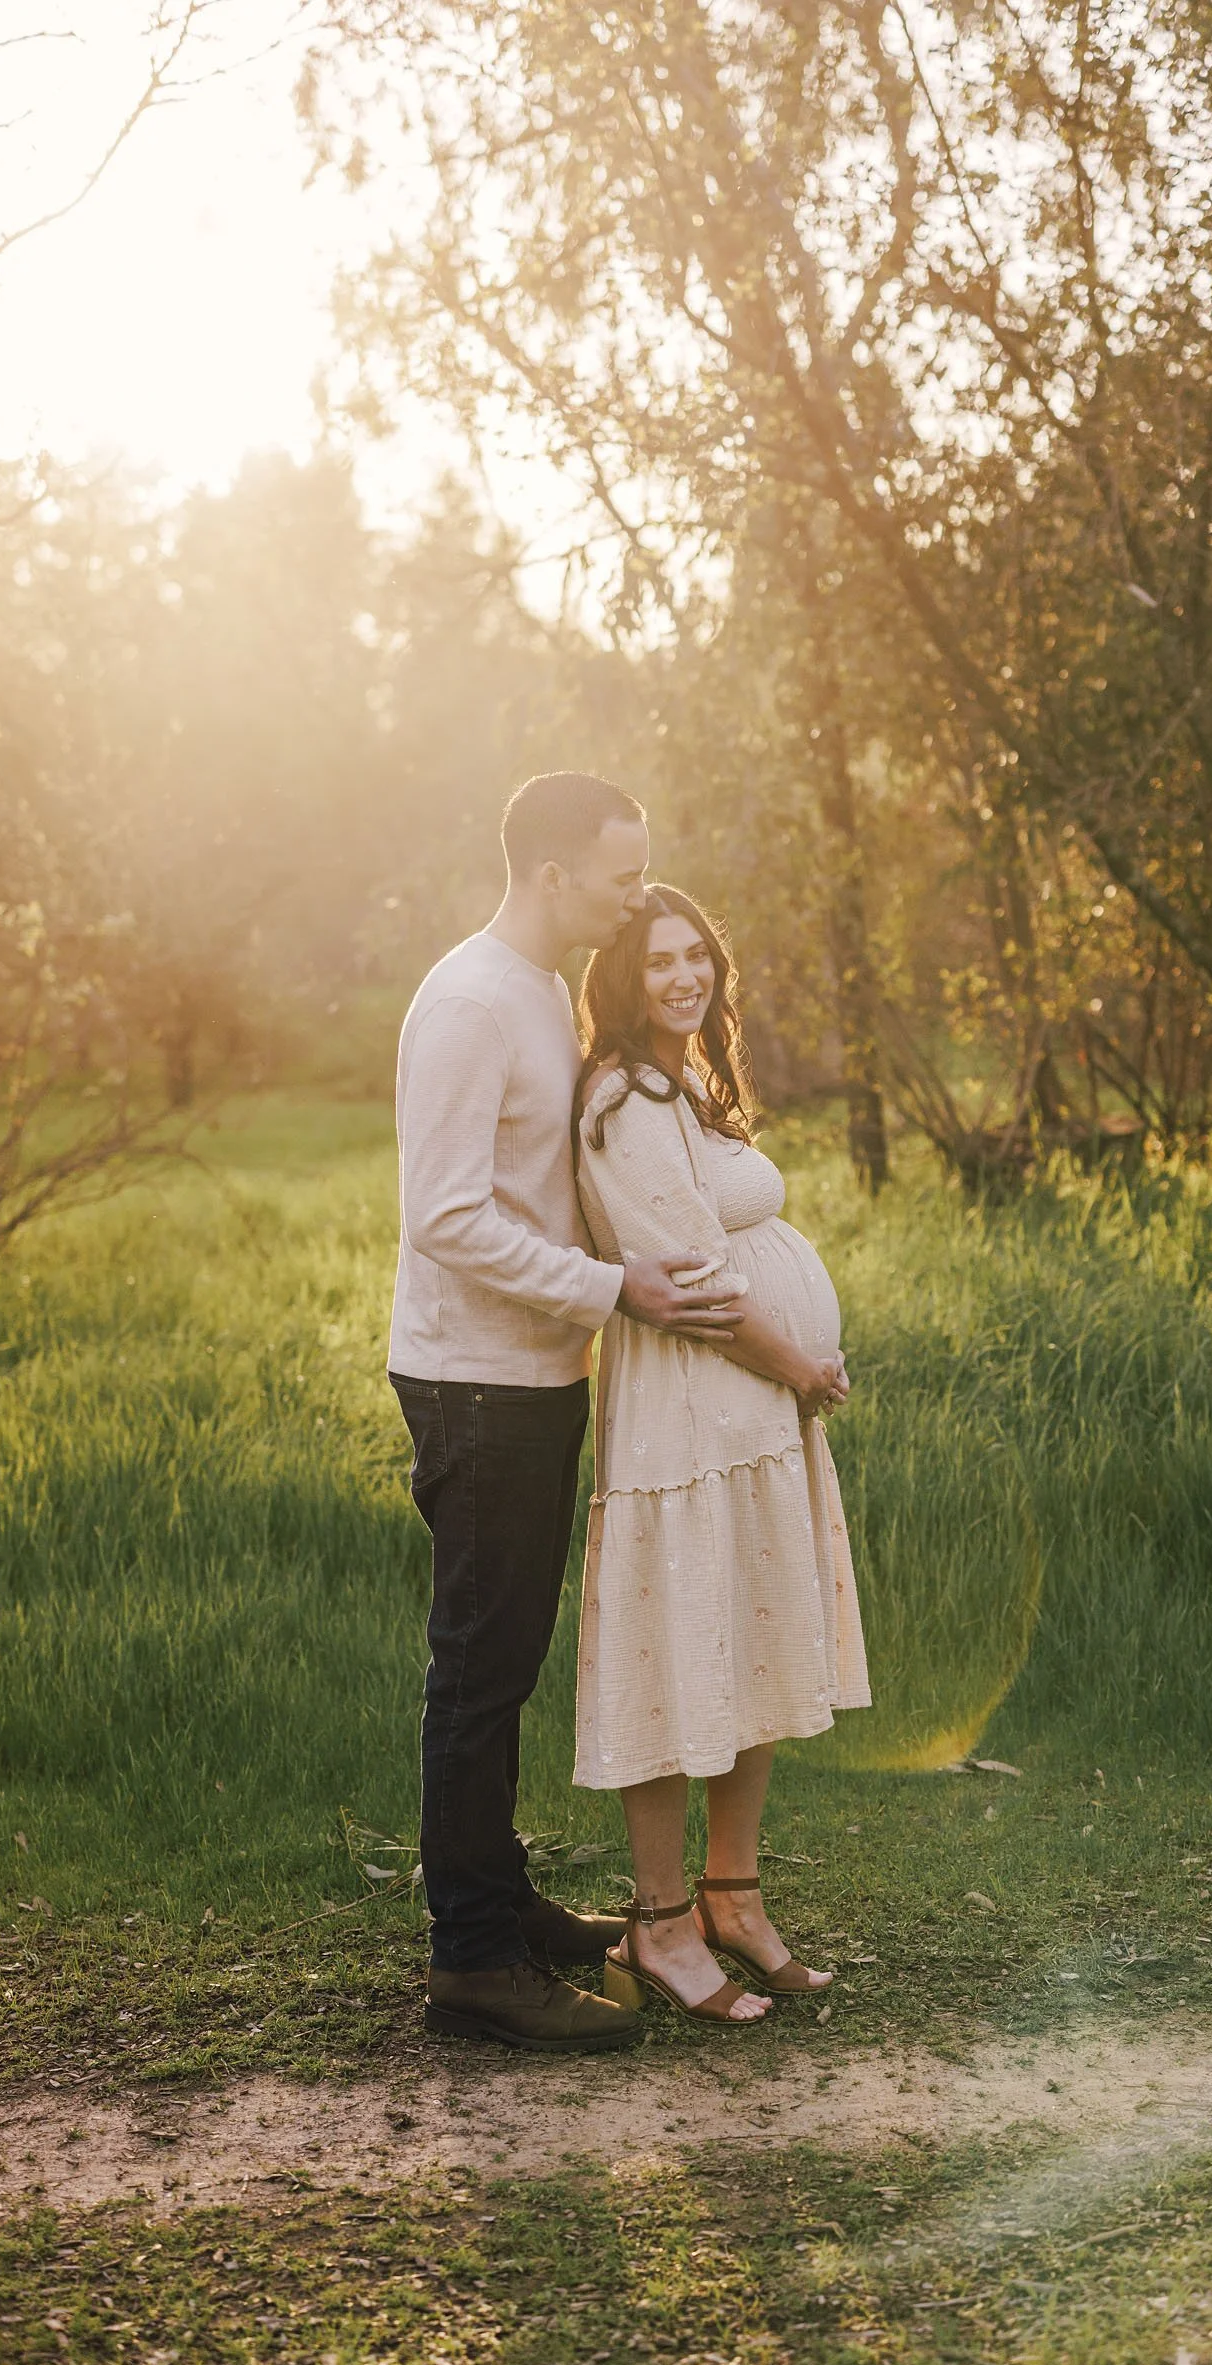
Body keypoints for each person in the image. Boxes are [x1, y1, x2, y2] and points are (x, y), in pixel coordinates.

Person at [388, 776, 744, 2053]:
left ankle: (502, 1901)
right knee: (478, 1671)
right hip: (474, 1381)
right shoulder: (470, 1003)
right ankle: (472, 1962)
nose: (636, 898)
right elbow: (442, 1215)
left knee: (508, 1661)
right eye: (617, 878)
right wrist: (612, 1287)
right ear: (551, 874)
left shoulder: (540, 992)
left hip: (532, 1376)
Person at [572, 886, 871, 2027]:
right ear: (620, 977)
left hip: (744, 1419)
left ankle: (730, 1899)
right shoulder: (621, 1102)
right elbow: (686, 1280)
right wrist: (797, 1362)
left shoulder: (687, 1078)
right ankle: (655, 1923)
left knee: (741, 1644)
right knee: (674, 1652)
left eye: (697, 955)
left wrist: (792, 1371)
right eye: (658, 961)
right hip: (691, 1417)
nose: (684, 977)